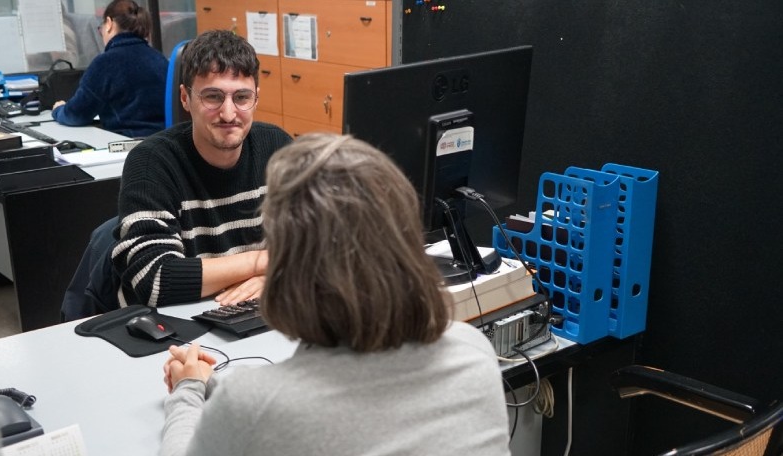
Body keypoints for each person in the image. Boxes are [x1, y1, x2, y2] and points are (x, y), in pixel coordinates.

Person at [159, 133, 513, 456]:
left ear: (287, 264)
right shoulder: (472, 351)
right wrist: (216, 388)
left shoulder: (255, 405)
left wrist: (187, 391)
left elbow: (269, 412)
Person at [111, 30, 292, 309]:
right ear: (185, 98)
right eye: (212, 97)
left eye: (242, 97)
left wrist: (276, 279)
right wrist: (268, 263)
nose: (229, 113)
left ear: (256, 97)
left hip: (249, 314)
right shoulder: (151, 162)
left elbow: (331, 244)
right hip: (172, 331)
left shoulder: (277, 148)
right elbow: (155, 279)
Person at [51, 0, 167, 137]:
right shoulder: (160, 59)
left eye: (101, 27)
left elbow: (76, 114)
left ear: (109, 23)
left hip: (127, 145)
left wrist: (58, 110)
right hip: (163, 143)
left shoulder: (105, 63)